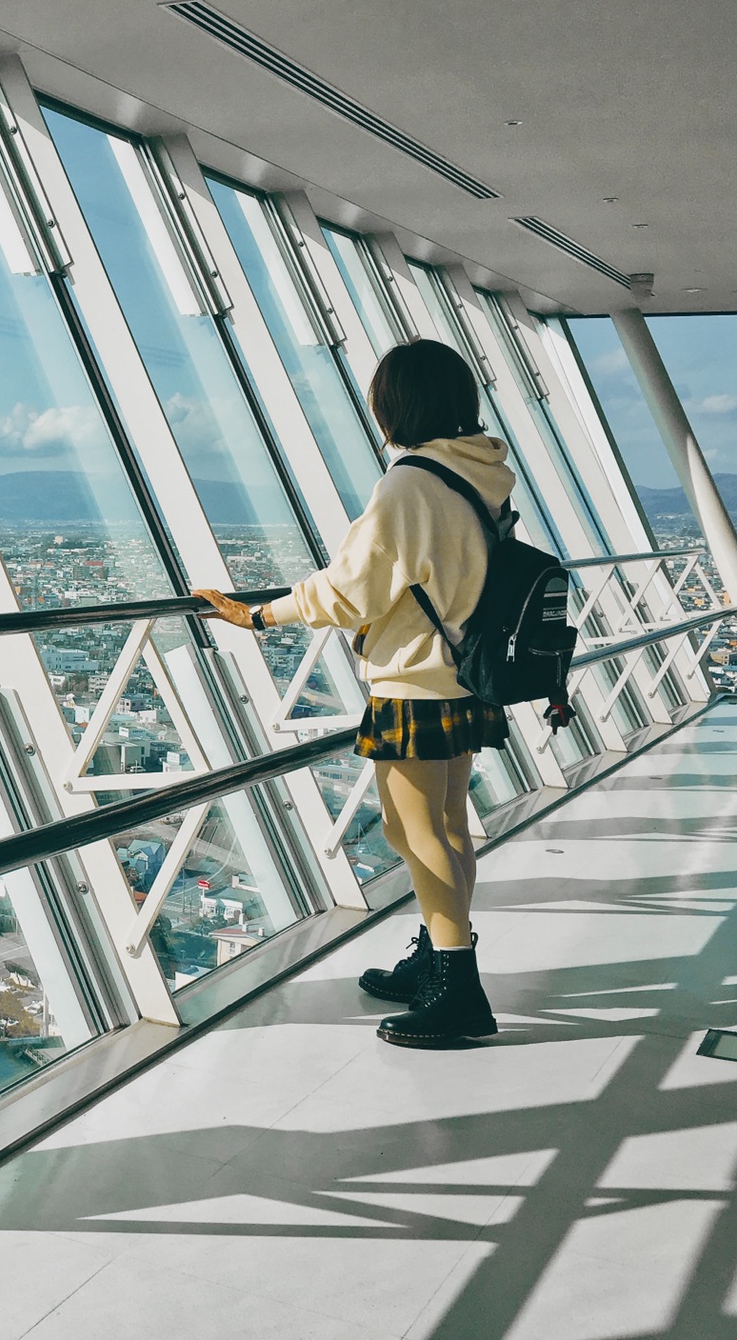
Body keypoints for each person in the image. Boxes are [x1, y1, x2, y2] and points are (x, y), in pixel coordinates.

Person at [194, 338, 512, 1047]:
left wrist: (260, 614)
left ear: (395, 406)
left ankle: (457, 984)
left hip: (415, 679)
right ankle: (438, 953)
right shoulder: (486, 475)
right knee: (450, 823)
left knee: (413, 830)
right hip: (466, 672)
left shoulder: (409, 483)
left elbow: (352, 589)